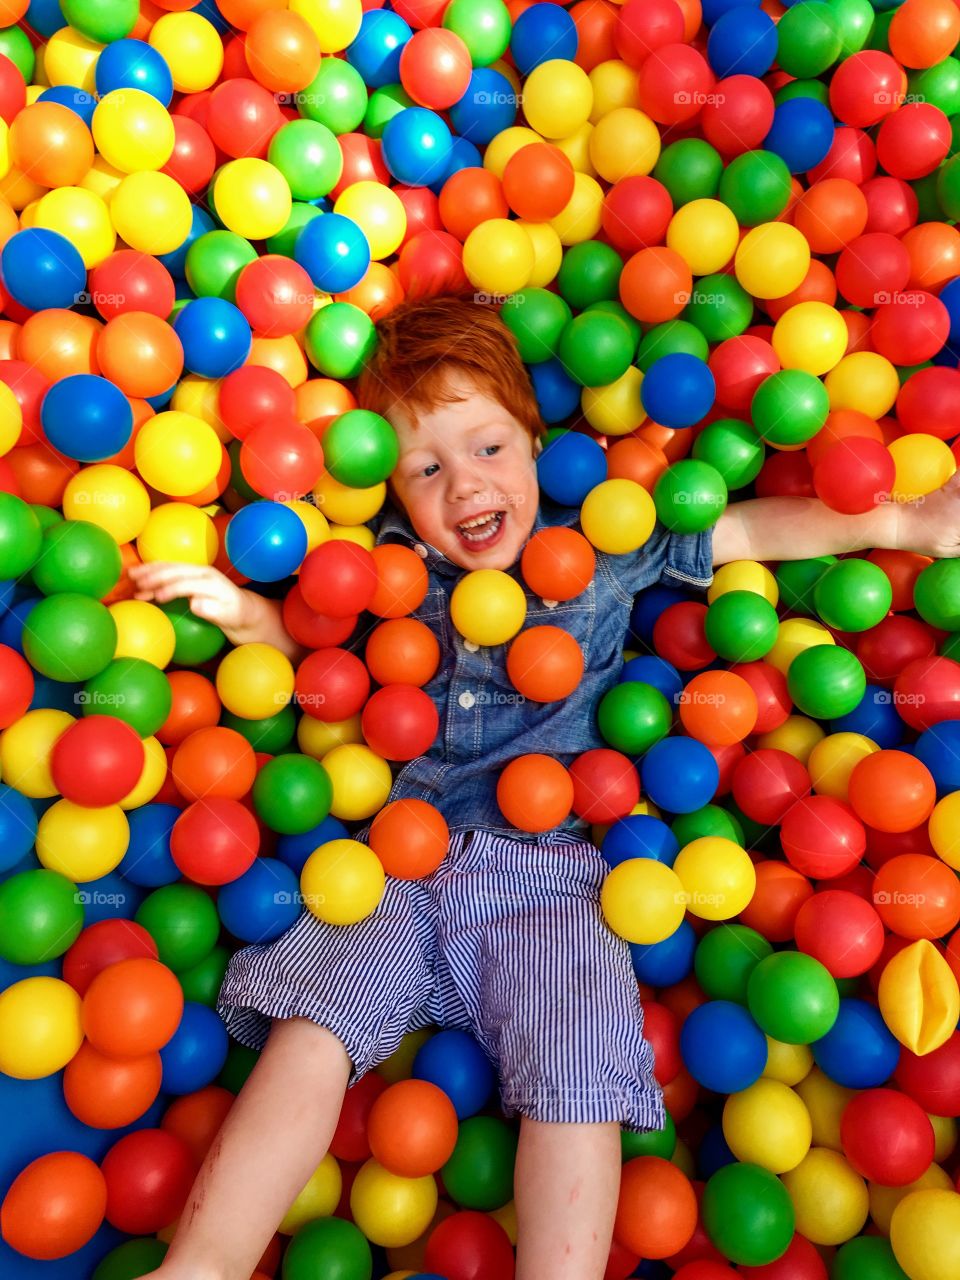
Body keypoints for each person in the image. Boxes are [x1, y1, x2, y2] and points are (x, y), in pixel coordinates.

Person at [129, 296, 960, 1280]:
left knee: (579, 1057)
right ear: (390, 490)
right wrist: (243, 613)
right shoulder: (394, 569)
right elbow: (321, 651)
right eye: (425, 470)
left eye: (487, 448)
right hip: (396, 862)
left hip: (550, 873)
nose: (464, 484)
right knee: (314, 1022)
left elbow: (738, 529)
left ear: (536, 442)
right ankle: (203, 1263)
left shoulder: (600, 539)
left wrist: (903, 519)